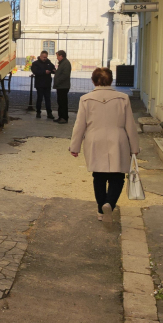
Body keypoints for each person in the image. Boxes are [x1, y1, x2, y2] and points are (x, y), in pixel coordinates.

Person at [69, 67, 140, 222]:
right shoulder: (123, 98)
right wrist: (134, 148)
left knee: (99, 176)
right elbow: (130, 125)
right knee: (118, 176)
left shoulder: (85, 99)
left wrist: (75, 147)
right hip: (118, 138)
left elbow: (80, 125)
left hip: (95, 139)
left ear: (93, 81)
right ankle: (110, 203)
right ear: (111, 80)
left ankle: (101, 210)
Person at [30, 50, 55, 119]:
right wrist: (44, 72)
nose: (45, 58)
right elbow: (35, 71)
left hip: (47, 84)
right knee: (39, 99)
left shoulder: (49, 62)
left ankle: (49, 113)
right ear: (40, 56)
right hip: (40, 84)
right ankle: (38, 112)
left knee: (48, 99)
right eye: (44, 57)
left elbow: (53, 68)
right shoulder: (35, 63)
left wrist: (52, 71)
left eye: (46, 57)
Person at [53, 50, 72, 124]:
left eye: (57, 56)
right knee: (60, 102)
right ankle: (60, 117)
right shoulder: (62, 63)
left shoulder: (66, 63)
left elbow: (65, 75)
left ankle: (64, 117)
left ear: (61, 56)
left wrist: (58, 81)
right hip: (60, 86)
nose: (57, 58)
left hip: (63, 86)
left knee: (63, 102)